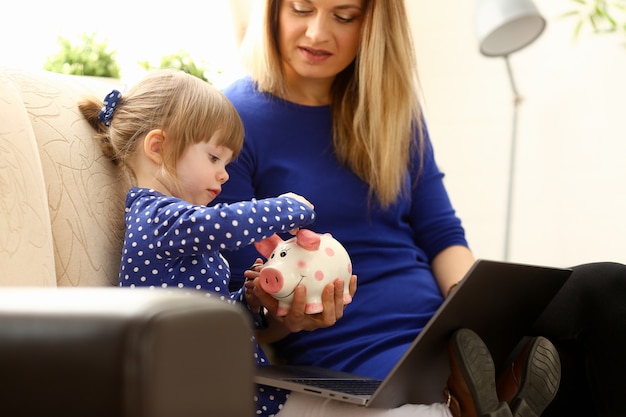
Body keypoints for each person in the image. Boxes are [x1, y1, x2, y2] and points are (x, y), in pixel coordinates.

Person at [213, 1, 626, 416]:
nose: (318, 33)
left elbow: (441, 233)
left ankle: (478, 393)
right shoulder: (233, 121)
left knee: (604, 288)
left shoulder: (392, 108)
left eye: (344, 16)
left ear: (373, 26)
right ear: (273, 12)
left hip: (451, 335)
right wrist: (288, 318)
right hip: (368, 358)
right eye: (302, 8)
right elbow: (245, 294)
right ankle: (472, 398)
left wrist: (478, 306)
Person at [78, 68, 557, 417]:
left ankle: (468, 406)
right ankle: (461, 409)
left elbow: (215, 309)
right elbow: (224, 225)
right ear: (158, 147)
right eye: (215, 158)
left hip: (235, 377)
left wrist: (248, 297)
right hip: (198, 387)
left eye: (228, 161)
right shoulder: (160, 219)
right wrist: (291, 205)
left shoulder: (180, 224)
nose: (224, 175)